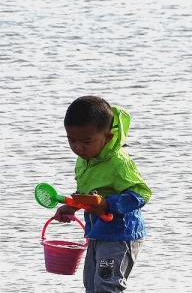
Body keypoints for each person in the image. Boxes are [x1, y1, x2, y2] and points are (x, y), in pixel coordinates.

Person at [53, 95, 152, 293]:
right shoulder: (84, 159)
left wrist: (108, 205)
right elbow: (87, 194)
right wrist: (72, 207)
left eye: (86, 141)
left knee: (107, 285)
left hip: (121, 233)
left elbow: (142, 193)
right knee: (91, 285)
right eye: (71, 140)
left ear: (107, 137)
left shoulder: (118, 163)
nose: (78, 147)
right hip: (97, 231)